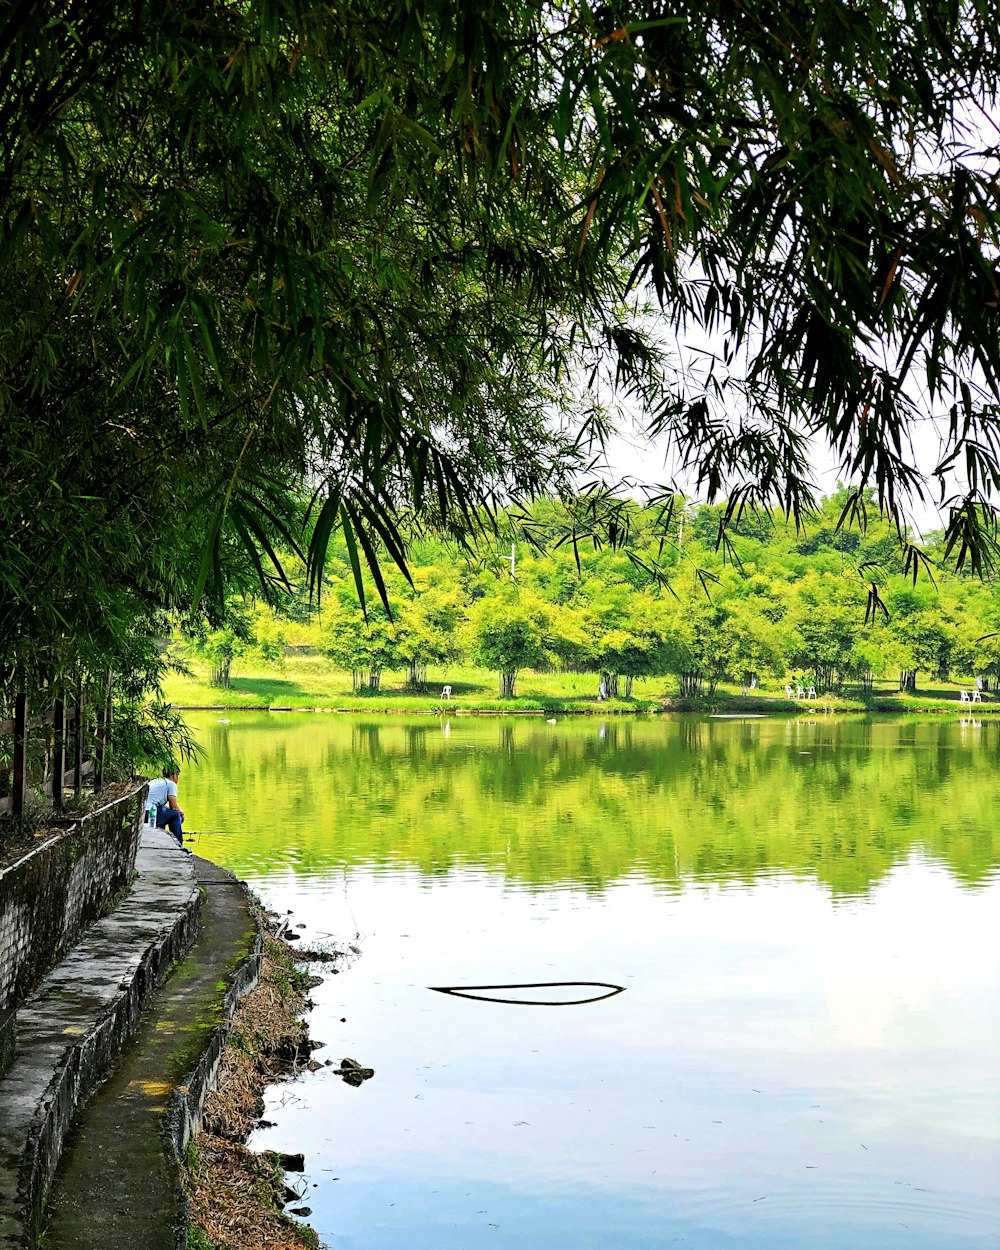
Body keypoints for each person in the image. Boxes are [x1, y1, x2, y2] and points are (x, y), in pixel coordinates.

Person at [147, 766, 184, 846]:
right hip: (150, 814)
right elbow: (174, 807)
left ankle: (161, 843)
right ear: (174, 775)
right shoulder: (171, 784)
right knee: (175, 815)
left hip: (143, 812)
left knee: (165, 810)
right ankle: (178, 845)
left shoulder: (156, 781)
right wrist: (182, 814)